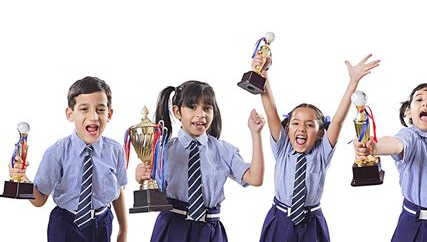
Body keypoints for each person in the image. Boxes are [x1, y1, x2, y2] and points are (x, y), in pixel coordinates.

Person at [255, 53, 380, 242]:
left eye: (310, 125)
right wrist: (263, 73)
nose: (302, 129)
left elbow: (337, 121)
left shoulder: (322, 153)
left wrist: (353, 82)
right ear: (287, 129)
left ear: (320, 133)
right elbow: (271, 111)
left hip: (311, 223)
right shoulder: (282, 149)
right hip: (280, 220)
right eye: (296, 123)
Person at [135, 80, 265, 242]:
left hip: (209, 231)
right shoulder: (164, 151)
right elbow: (155, 197)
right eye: (192, 107)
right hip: (172, 228)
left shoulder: (223, 150)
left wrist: (256, 134)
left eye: (207, 108)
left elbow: (255, 178)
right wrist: (142, 177)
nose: (201, 114)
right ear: (177, 112)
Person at [9, 76, 128, 242]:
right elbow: (39, 199)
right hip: (65, 226)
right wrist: (21, 179)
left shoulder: (115, 151)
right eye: (84, 109)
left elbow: (117, 191)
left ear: (110, 114)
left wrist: (123, 230)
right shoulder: (57, 153)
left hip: (102, 224)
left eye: (100, 109)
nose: (94, 117)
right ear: (70, 114)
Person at [354, 83, 427, 241]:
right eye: (419, 99)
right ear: (408, 112)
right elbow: (395, 144)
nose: (425, 103)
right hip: (415, 226)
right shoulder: (409, 137)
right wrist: (375, 147)